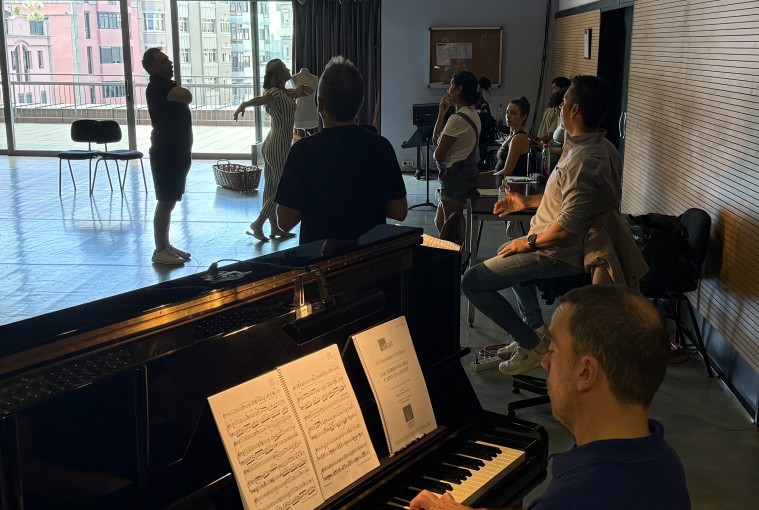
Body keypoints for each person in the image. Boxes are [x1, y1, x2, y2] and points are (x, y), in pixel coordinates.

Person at [409, 285, 691, 510]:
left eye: (553, 350)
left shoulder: (576, 498)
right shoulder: (662, 459)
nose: (545, 363)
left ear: (585, 372)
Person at [460, 75, 623, 375]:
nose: (559, 107)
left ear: (575, 110)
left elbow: (567, 228)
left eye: (564, 101)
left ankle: (532, 345)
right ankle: (534, 332)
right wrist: (525, 202)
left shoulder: (585, 161)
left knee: (471, 282)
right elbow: (567, 199)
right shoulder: (599, 147)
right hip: (553, 244)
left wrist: (528, 242)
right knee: (506, 249)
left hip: (558, 253)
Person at [274, 56, 407, 244]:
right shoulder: (381, 147)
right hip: (370, 256)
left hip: (320, 258)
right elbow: (399, 212)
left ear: (319, 104)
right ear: (361, 103)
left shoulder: (302, 151)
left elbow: (285, 222)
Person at [233, 59, 313, 241]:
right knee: (281, 187)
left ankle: (274, 227)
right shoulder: (275, 92)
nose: (288, 69)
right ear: (278, 73)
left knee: (270, 187)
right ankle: (258, 223)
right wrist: (244, 104)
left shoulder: (286, 93)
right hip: (278, 144)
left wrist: (300, 88)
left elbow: (310, 91)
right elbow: (262, 100)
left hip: (275, 142)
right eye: (285, 68)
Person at [143, 48, 194, 266]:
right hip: (166, 154)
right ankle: (159, 250)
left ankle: (166, 245)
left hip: (177, 152)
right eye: (164, 62)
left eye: (168, 60)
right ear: (153, 68)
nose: (170, 63)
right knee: (165, 202)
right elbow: (187, 96)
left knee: (170, 201)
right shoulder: (158, 87)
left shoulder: (165, 86)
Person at [432, 70, 481, 235]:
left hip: (455, 176)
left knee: (451, 227)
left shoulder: (458, 119)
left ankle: (458, 251)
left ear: (459, 89)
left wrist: (437, 152)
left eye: (451, 85)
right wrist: (441, 113)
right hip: (466, 174)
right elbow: (435, 140)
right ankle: (457, 249)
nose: (448, 90)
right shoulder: (472, 113)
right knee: (441, 221)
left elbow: (439, 154)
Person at [492, 97, 530, 177]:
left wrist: (486, 178)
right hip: (499, 178)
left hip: (508, 182)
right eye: (507, 112)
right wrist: (482, 175)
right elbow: (498, 169)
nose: (508, 116)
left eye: (513, 113)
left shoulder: (518, 138)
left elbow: (507, 171)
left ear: (523, 117)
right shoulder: (510, 136)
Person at [533, 76, 571, 146]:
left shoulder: (567, 121)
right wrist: (545, 146)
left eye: (555, 87)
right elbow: (554, 138)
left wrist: (544, 146)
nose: (550, 89)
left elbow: (564, 148)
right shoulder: (557, 114)